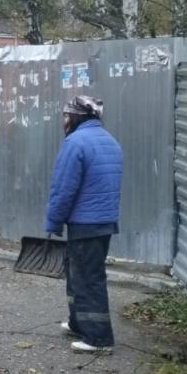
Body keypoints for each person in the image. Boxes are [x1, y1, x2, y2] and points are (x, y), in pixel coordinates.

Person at [45, 95, 123, 353]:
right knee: (79, 276)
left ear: (77, 116)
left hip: (85, 223)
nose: (64, 120)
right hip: (104, 222)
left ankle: (99, 338)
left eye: (66, 115)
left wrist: (53, 222)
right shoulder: (109, 140)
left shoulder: (76, 142)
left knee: (88, 279)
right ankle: (79, 323)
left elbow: (63, 188)